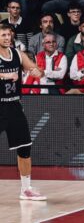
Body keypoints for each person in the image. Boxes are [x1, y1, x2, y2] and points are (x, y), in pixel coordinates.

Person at [0, 23, 46, 201]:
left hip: (14, 106)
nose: (6, 38)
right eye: (3, 35)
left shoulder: (17, 54)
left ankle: (26, 189)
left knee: (25, 147)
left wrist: (36, 72)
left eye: (8, 35)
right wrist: (4, 76)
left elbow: (37, 71)